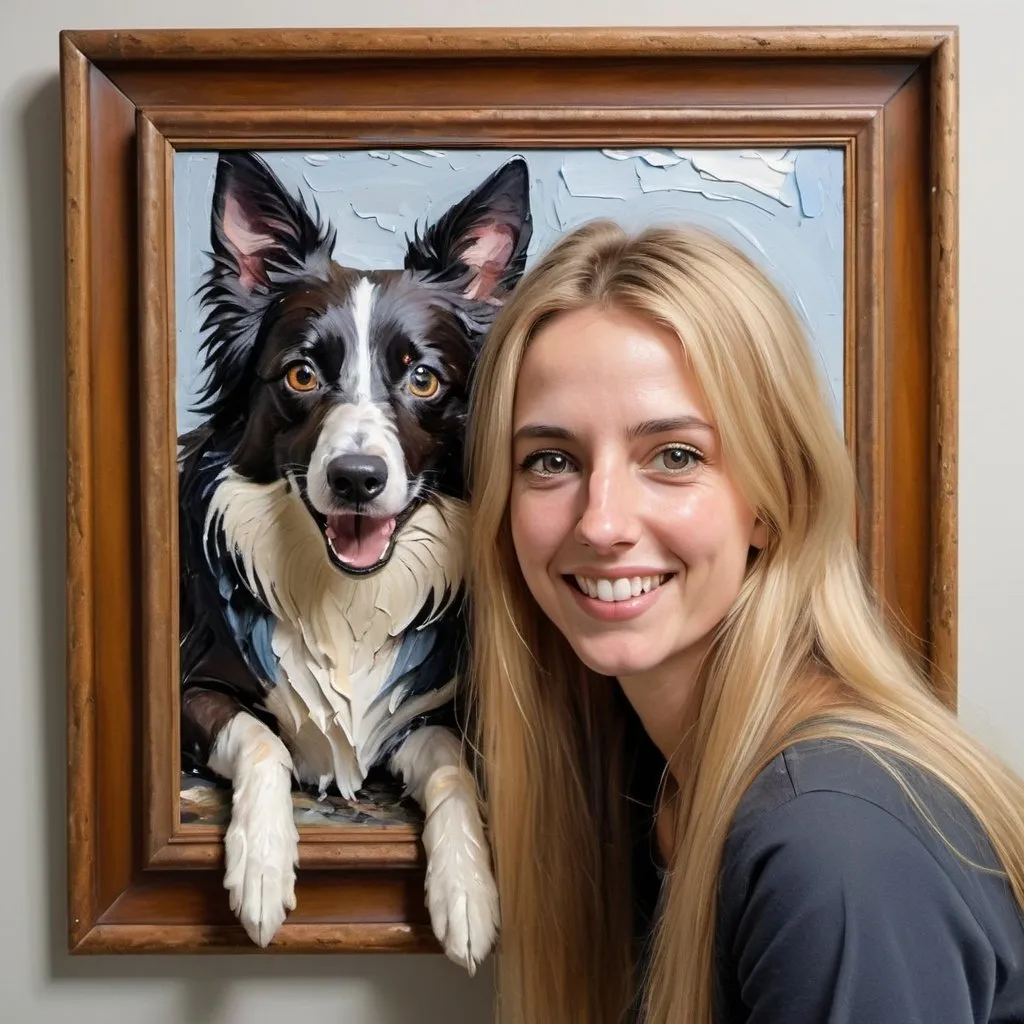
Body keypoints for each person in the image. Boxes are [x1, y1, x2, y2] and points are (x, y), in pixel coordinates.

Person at [462, 219, 1024, 1024]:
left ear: (772, 498)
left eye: (675, 456)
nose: (602, 522)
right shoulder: (654, 792)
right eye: (551, 461)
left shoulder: (830, 838)